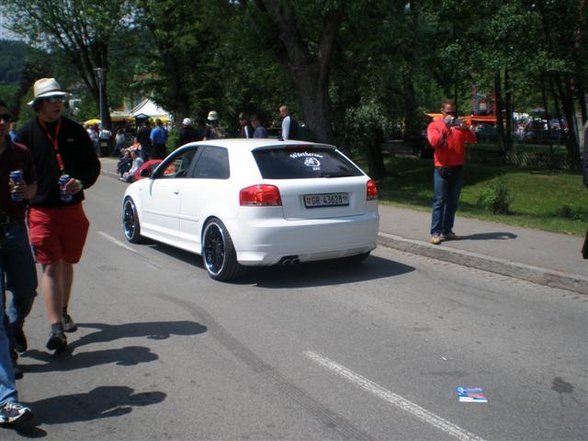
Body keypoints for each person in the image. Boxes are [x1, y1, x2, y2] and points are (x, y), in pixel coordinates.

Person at [16, 78, 101, 352]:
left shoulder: (76, 130)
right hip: (41, 211)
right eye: (51, 99)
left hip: (73, 209)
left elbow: (93, 166)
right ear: (39, 105)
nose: (57, 104)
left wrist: (81, 182)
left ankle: (63, 311)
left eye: (59, 98)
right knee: (51, 265)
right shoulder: (26, 135)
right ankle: (56, 331)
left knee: (66, 262)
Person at [0, 100, 38, 379]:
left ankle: (12, 330)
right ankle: (7, 353)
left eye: (5, 117)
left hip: (14, 227)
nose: (1, 121)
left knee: (26, 289)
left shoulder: (21, 153)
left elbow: (34, 187)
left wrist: (26, 190)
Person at [426, 99, 476, 245]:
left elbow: (472, 140)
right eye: (448, 112)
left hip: (458, 167)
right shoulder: (434, 125)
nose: (451, 115)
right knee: (439, 201)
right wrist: (446, 127)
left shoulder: (459, 127)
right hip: (442, 167)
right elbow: (435, 143)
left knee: (453, 201)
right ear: (442, 112)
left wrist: (466, 129)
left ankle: (447, 230)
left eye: (453, 112)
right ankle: (435, 232)